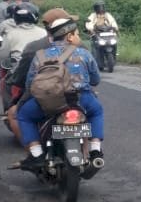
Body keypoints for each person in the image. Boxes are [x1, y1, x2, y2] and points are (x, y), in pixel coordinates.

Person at [17, 16, 105, 169]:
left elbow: (30, 84)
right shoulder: (84, 54)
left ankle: (37, 154)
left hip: (48, 103)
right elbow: (95, 80)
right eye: (76, 34)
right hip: (80, 100)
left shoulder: (40, 55)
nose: (78, 37)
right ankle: (95, 150)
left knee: (24, 115)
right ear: (70, 36)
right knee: (96, 112)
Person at [3, 8, 72, 143]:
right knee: (93, 113)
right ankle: (91, 151)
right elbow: (94, 78)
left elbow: (24, 78)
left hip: (44, 94)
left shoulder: (34, 47)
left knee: (16, 115)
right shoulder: (79, 45)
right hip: (75, 95)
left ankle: (33, 153)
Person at [0, 4, 45, 91]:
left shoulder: (11, 33)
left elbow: (3, 55)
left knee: (6, 84)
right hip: (40, 68)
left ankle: (10, 101)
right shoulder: (43, 32)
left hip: (18, 69)